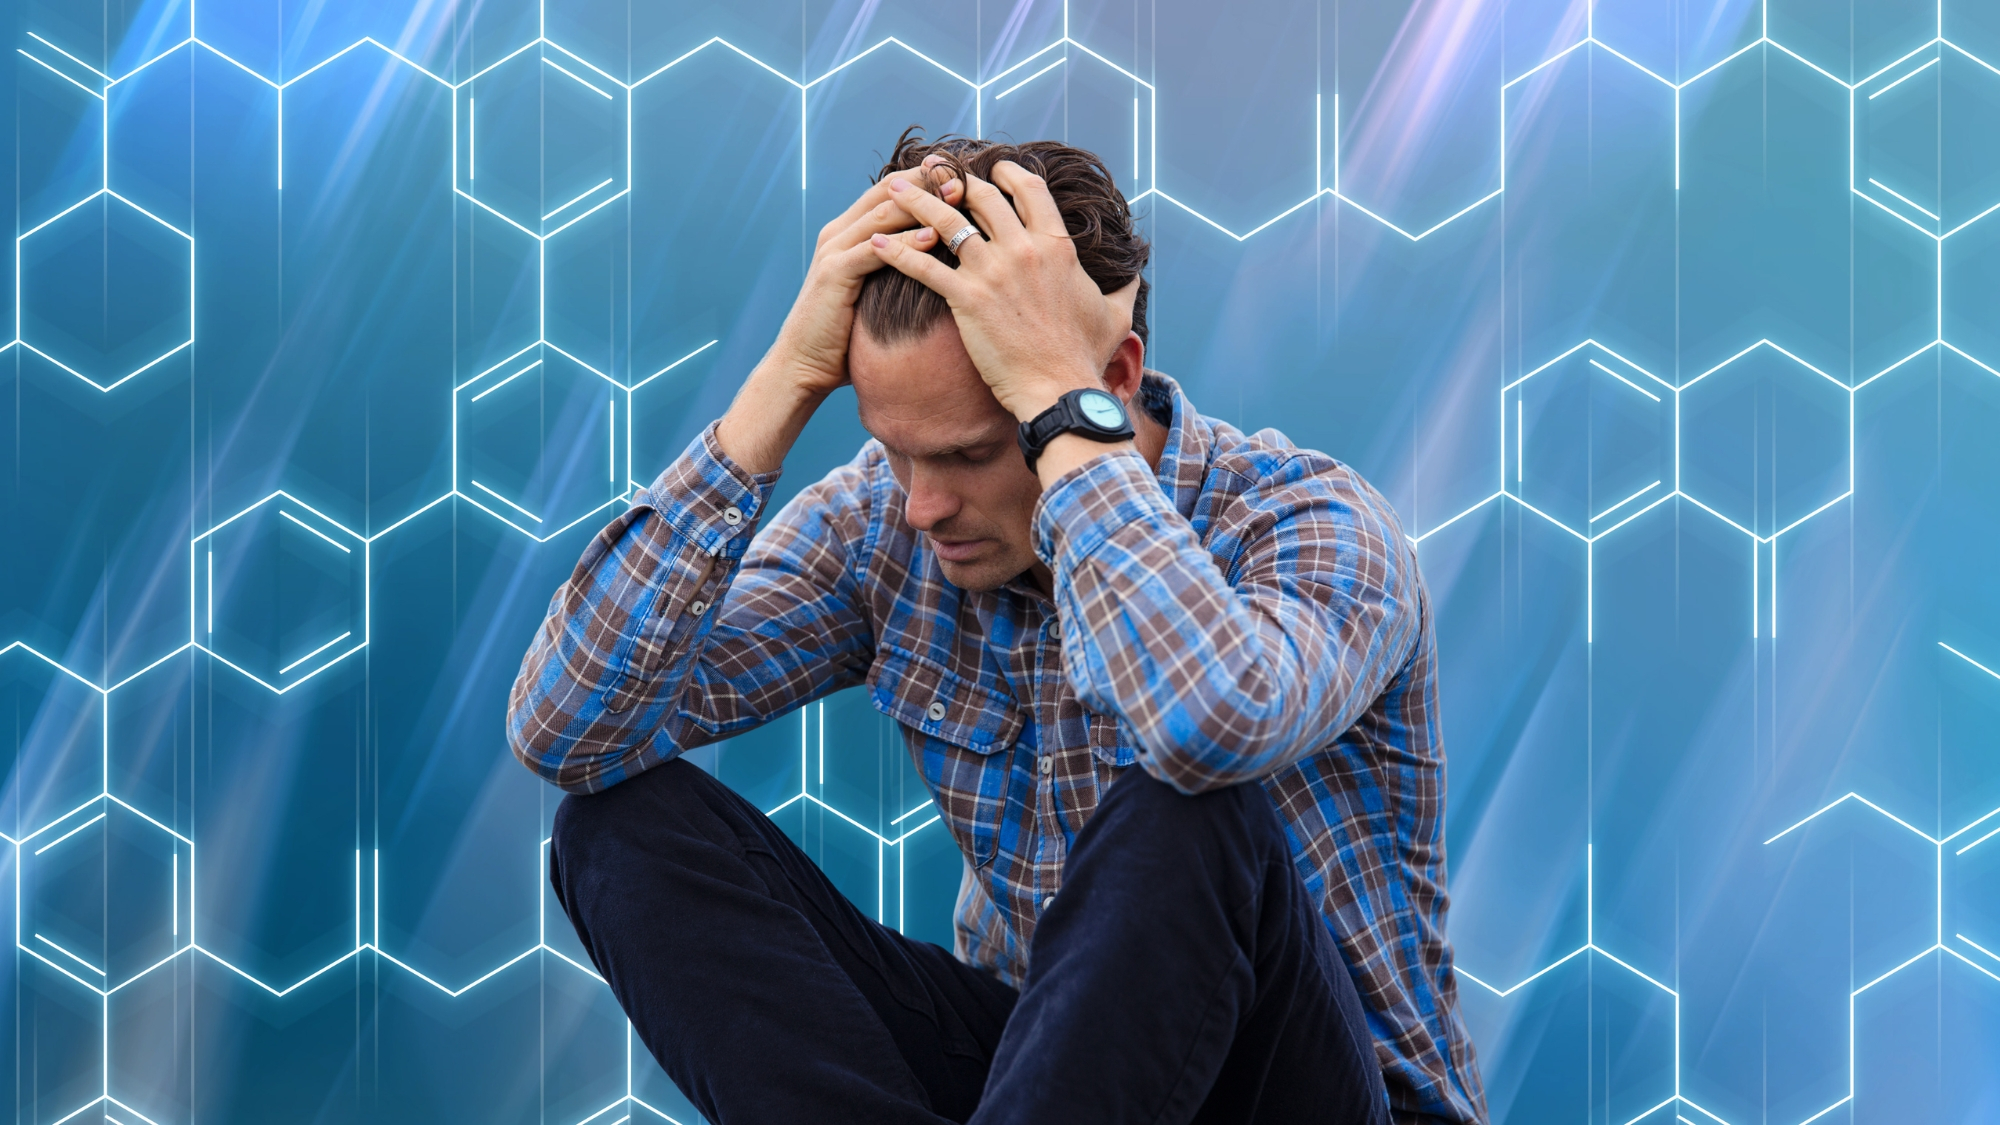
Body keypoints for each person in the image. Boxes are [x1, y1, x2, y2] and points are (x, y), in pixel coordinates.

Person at [507, 130, 1488, 1125]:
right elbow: (568, 730)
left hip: (1313, 1094)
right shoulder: (881, 528)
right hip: (1045, 1078)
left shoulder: (1307, 524)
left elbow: (1205, 723)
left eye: (972, 452)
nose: (923, 505)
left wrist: (1066, 423)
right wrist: (782, 384)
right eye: (895, 451)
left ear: (1105, 380)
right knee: (617, 829)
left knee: (1189, 802)